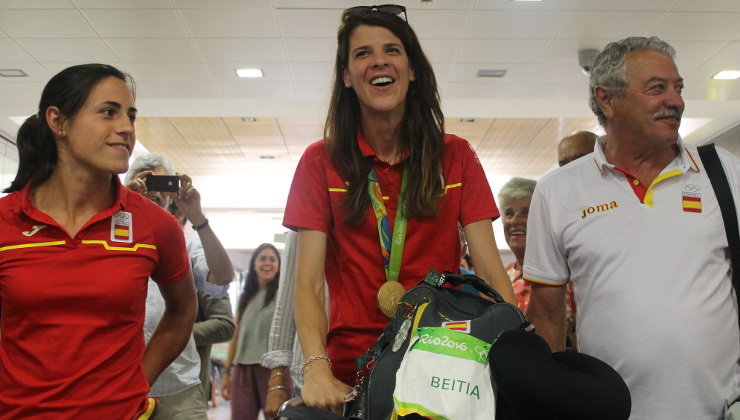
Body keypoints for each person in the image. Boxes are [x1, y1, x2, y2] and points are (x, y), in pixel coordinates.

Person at [283, 4, 516, 413]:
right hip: (350, 368)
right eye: (362, 53)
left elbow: (490, 270)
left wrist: (518, 347)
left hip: (442, 362)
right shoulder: (320, 162)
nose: (378, 61)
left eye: (392, 49)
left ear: (411, 70)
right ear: (346, 77)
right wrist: (315, 367)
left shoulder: (456, 156)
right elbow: (308, 284)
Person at [524, 36, 740, 419]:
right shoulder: (558, 190)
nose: (675, 101)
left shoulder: (723, 171)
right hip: (608, 411)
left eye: (678, 88)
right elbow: (548, 315)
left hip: (719, 411)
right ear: (606, 99)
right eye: (657, 88)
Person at [0, 63, 196, 419]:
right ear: (58, 121)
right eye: (108, 112)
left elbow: (183, 310)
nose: (126, 128)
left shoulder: (155, 225)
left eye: (131, 116)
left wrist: (139, 378)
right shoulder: (6, 221)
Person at [124, 154, 233, 419]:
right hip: (121, 386)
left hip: (179, 390)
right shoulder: (110, 240)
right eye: (146, 182)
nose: (153, 192)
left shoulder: (185, 244)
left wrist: (197, 216)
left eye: (160, 182)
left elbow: (222, 276)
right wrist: (123, 203)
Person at [498, 177, 576, 348]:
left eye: (526, 212)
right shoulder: (502, 275)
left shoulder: (568, 275)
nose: (515, 221)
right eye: (509, 213)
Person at [222, 243, 286, 420]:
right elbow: (236, 337)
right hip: (242, 370)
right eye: (262, 258)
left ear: (279, 266)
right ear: (254, 264)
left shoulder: (284, 295)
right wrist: (227, 373)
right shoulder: (245, 297)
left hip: (274, 371)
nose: (267, 263)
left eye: (272, 259)